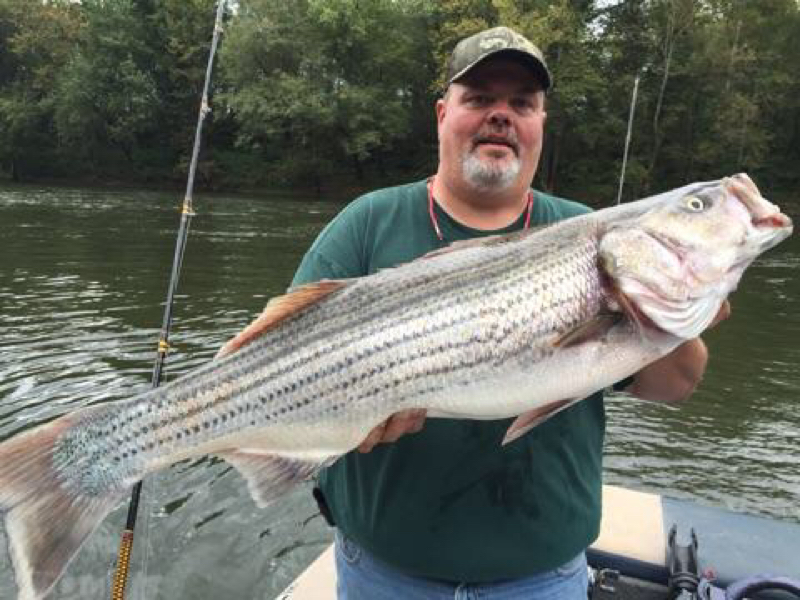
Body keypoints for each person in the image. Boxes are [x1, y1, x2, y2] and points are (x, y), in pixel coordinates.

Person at [291, 26, 727, 600]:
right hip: (385, 575)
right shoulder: (368, 223)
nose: (501, 115)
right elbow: (282, 359)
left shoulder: (588, 236)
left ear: (540, 124)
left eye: (522, 103)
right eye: (478, 99)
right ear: (443, 113)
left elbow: (677, 385)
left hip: (541, 577)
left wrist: (675, 311)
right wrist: (343, 421)